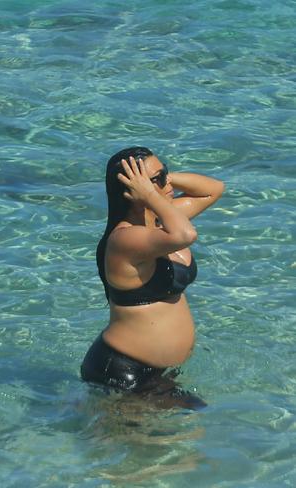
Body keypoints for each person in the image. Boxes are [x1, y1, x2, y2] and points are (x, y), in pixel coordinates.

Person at [81, 147, 224, 409]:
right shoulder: (124, 239)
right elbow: (185, 235)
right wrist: (149, 191)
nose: (167, 183)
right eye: (157, 179)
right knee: (186, 437)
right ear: (132, 189)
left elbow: (213, 189)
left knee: (168, 444)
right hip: (125, 372)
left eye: (164, 173)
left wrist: (161, 181)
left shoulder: (158, 222)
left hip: (154, 371)